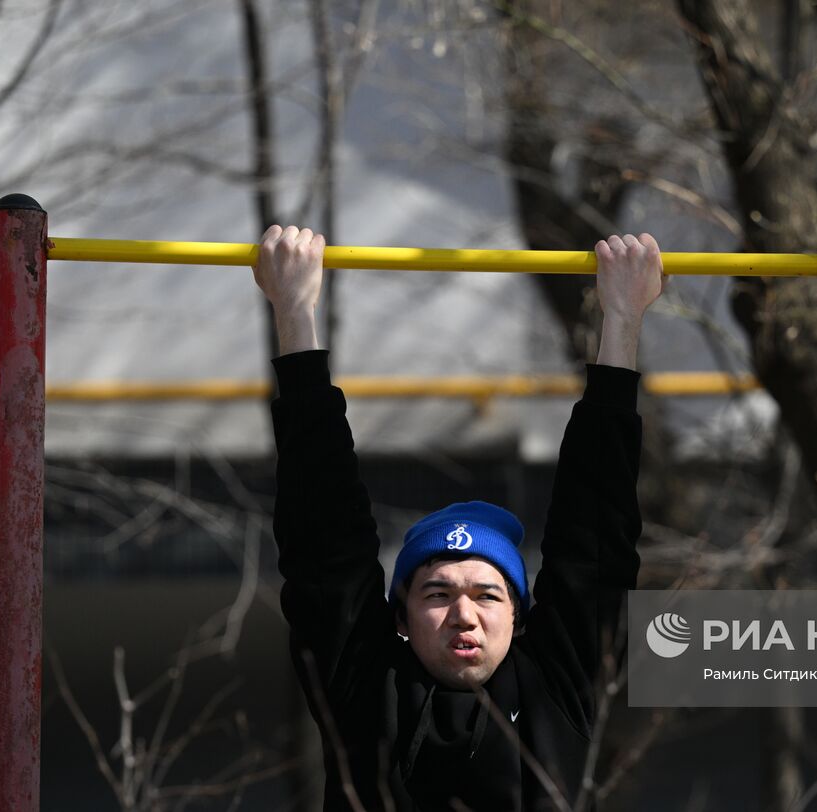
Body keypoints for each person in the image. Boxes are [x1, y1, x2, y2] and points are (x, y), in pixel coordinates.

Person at [253, 224, 664, 810]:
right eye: (438, 593)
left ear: (520, 618)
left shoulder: (556, 689)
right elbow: (323, 534)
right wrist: (294, 312)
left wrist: (623, 319)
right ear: (400, 616)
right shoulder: (366, 689)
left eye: (488, 595)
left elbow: (596, 531)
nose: (463, 615)